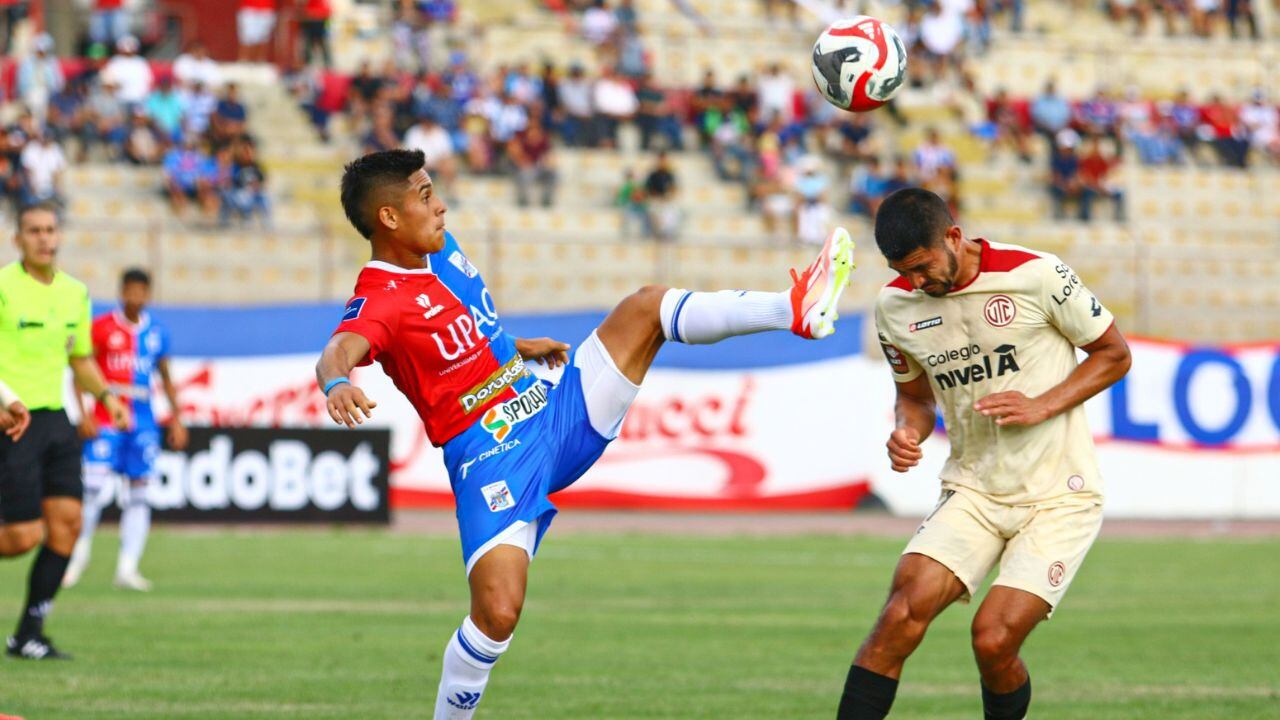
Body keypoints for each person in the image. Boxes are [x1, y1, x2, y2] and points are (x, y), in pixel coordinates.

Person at [315, 149, 855, 720]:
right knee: (498, 614)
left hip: (551, 410)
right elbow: (338, 350)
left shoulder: (440, 250)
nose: (441, 205)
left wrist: (515, 348)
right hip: (492, 456)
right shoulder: (380, 299)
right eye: (425, 196)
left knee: (646, 307)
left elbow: (460, 330)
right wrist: (336, 384)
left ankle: (793, 308)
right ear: (390, 218)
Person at [836, 188, 1131, 720]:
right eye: (903, 271)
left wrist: (1042, 404)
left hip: (1058, 495)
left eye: (923, 267)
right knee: (898, 617)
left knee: (993, 639)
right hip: (972, 487)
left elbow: (1114, 354)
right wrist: (907, 431)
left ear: (953, 236)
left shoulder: (1037, 275)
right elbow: (915, 398)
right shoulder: (895, 307)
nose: (917, 283)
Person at [0, 202, 130, 660]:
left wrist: (108, 398)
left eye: (50, 230)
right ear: (18, 239)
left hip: (55, 421)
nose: (43, 238)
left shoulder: (74, 293)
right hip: (12, 419)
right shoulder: (3, 286)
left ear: (58, 236)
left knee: (67, 527)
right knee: (20, 538)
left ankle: (28, 634)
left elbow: (80, 359)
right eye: (33, 230)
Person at [63, 269, 187, 592]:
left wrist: (176, 418)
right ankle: (77, 557)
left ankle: (127, 568)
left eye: (141, 291)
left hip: (143, 420)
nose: (135, 297)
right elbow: (79, 372)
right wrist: (82, 414)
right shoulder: (101, 327)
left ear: (148, 294)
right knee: (92, 488)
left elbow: (166, 378)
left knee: (139, 494)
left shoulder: (157, 332)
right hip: (106, 415)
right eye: (129, 290)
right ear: (121, 292)